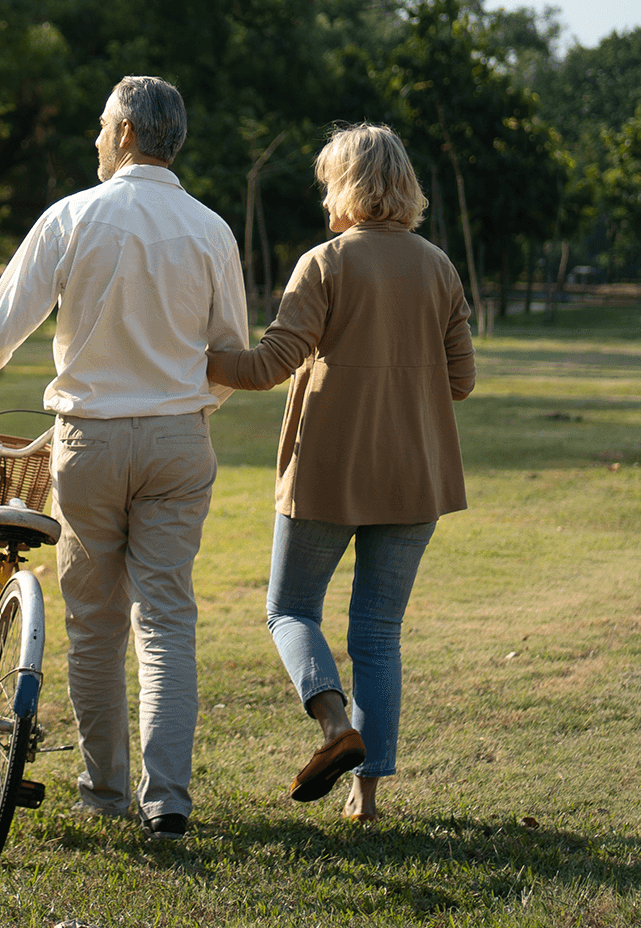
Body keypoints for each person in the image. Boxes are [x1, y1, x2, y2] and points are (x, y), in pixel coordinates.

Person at [0, 76, 247, 841]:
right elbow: (229, 357)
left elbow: (3, 324)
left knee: (94, 626)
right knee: (167, 621)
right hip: (180, 439)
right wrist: (183, 407)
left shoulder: (74, 217)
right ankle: (170, 801)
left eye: (99, 126)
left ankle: (105, 791)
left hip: (89, 442)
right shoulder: (213, 230)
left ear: (123, 132)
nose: (94, 139)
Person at [205, 123, 474, 821]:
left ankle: (333, 727)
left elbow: (267, 366)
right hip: (415, 476)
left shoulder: (323, 264)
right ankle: (366, 799)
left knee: (289, 609)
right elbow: (463, 380)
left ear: (346, 186)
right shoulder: (440, 267)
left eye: (328, 180)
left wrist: (194, 354)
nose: (324, 194)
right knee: (379, 635)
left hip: (327, 472)